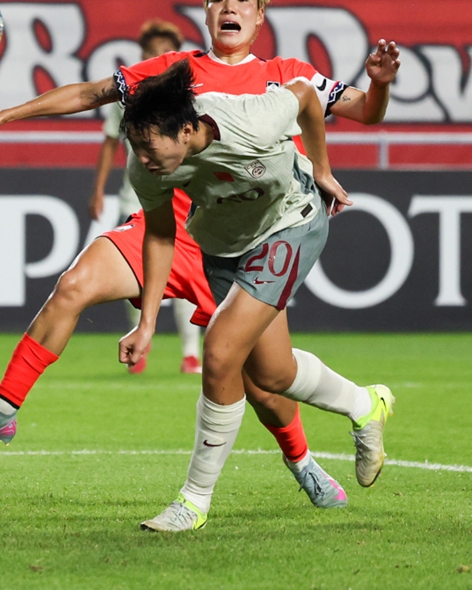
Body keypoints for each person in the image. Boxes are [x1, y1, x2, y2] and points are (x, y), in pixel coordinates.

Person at [0, 0, 400, 509]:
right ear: (205, 13)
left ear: (260, 15)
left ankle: (304, 462)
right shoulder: (175, 71)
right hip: (171, 223)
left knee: (266, 380)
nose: (229, 8)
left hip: (247, 233)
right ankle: (3, 410)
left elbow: (366, 113)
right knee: (75, 284)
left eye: (242, 1)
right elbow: (89, 94)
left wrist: (378, 88)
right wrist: (1, 117)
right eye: (218, 0)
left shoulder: (284, 75)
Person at [118, 61, 393, 531]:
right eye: (136, 146)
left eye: (149, 145)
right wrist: (147, 323)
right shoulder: (147, 167)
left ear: (187, 129)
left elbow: (306, 94)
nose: (142, 157)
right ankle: (365, 406)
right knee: (271, 373)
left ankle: (194, 501)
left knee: (221, 352)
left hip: (291, 221)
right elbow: (161, 237)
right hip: (224, 242)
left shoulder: (251, 118)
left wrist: (322, 169)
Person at [89, 19, 201, 375]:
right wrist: (98, 189)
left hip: (180, 197)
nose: (157, 58)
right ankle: (141, 343)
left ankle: (190, 353)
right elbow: (110, 143)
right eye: (150, 52)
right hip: (136, 195)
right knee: (137, 277)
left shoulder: (190, 95)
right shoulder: (128, 93)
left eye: (164, 52)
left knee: (182, 276)